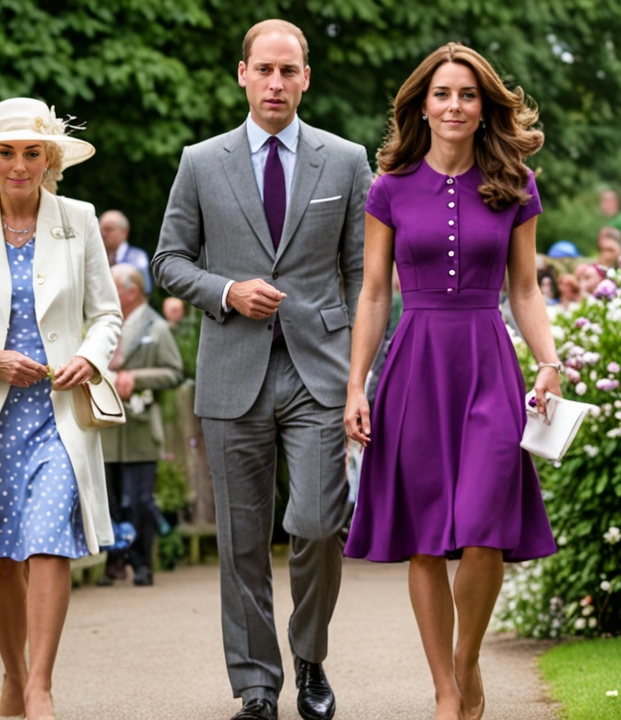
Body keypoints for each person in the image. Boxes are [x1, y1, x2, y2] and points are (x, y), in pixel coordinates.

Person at [152, 18, 371, 720]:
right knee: (242, 541)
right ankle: (255, 684)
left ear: (306, 78)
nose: (276, 83)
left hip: (320, 373)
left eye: (289, 71)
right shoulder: (200, 160)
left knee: (313, 522)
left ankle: (309, 658)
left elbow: (368, 275)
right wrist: (224, 290)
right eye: (264, 70)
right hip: (231, 368)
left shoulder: (344, 160)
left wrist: (369, 376)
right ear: (242, 74)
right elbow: (168, 260)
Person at [341, 42, 559, 720]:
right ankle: (444, 690)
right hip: (416, 363)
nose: (455, 105)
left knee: (486, 525)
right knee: (426, 534)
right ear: (423, 105)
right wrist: (357, 385)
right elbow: (375, 294)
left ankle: (468, 664)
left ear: (483, 105)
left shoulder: (515, 183)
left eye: (467, 94)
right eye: (443, 94)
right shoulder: (389, 188)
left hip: (490, 359)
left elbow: (524, 290)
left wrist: (548, 360)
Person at [0, 97, 121, 720]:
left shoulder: (78, 217)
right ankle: (12, 676)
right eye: (6, 152)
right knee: (1, 552)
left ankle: (40, 685)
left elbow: (106, 313)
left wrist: (89, 358)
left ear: (50, 158)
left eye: (31, 152)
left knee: (48, 541)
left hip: (58, 412)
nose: (19, 165)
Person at [99, 263, 185, 587]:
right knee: (108, 500)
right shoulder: (101, 326)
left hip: (140, 430)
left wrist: (136, 378)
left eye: (113, 287)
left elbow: (175, 372)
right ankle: (113, 563)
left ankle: (142, 564)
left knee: (138, 501)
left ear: (130, 291)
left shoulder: (157, 328)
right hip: (105, 429)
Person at [100, 210, 153, 294]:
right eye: (100, 230)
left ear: (124, 232)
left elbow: (145, 290)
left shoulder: (138, 258)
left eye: (108, 230)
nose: (103, 234)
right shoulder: (97, 257)